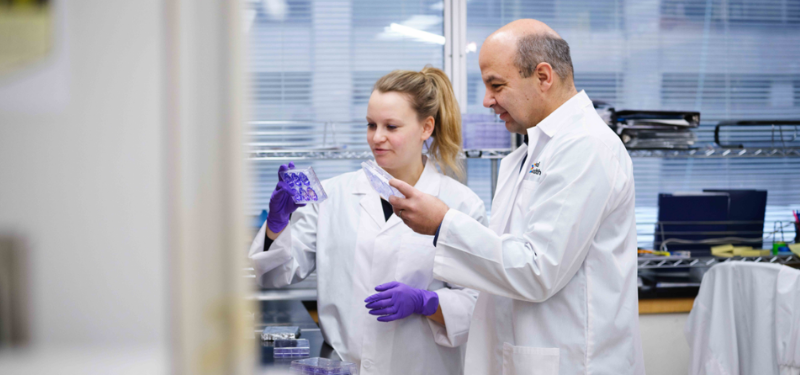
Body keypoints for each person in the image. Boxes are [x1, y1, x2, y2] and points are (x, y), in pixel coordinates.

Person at [388, 19, 646, 374]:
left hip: (572, 361)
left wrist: (442, 223)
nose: (486, 100)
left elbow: (537, 269)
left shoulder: (587, 146)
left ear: (543, 77)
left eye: (497, 85)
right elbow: (508, 258)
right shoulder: (527, 154)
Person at [248, 66, 487, 375]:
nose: (377, 138)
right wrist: (277, 225)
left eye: (391, 126)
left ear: (426, 127)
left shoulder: (461, 204)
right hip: (345, 368)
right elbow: (275, 274)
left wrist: (426, 302)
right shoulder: (334, 195)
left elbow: (478, 305)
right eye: (371, 125)